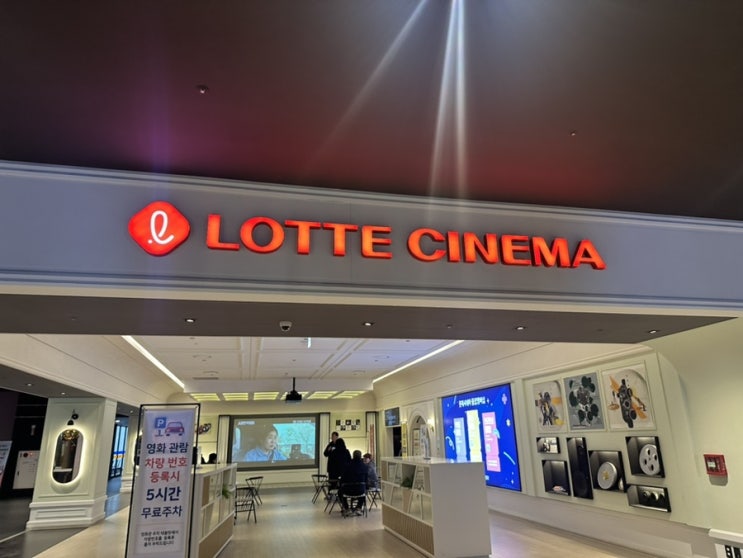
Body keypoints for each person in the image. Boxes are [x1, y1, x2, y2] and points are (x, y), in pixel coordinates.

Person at [339, 450, 368, 515]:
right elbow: (366, 481)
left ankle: (347, 508)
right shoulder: (364, 467)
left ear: (353, 456)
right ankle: (359, 508)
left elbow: (342, 479)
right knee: (364, 489)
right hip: (360, 491)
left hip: (348, 490)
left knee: (340, 492)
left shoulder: (347, 465)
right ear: (361, 456)